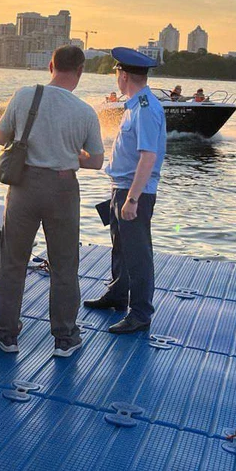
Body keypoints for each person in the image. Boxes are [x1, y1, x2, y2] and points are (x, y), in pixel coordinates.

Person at [0, 45, 105, 358]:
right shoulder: (84, 112)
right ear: (80, 71)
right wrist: (69, 155)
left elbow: (2, 138)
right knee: (64, 266)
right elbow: (96, 161)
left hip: (24, 187)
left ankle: (7, 334)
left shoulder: (23, 95)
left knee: (14, 261)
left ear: (51, 65)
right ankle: (65, 338)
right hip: (62, 189)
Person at [84, 47, 166, 334]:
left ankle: (141, 313)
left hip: (135, 192)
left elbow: (148, 156)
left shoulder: (144, 109)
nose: (115, 77)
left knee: (137, 253)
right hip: (122, 187)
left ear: (124, 75)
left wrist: (132, 199)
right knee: (120, 247)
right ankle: (118, 295)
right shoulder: (135, 105)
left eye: (117, 72)